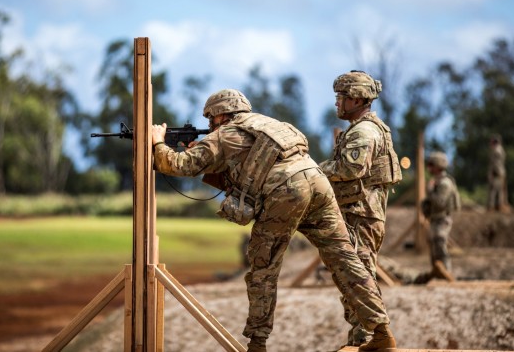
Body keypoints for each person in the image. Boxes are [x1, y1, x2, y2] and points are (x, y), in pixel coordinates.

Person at [151, 89, 396, 352]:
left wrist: (157, 143)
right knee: (345, 256)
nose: (210, 126)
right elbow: (248, 165)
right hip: (317, 183)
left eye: (211, 119)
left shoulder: (225, 133)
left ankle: (258, 343)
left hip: (287, 190)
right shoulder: (271, 124)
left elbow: (178, 165)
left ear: (222, 114)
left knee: (264, 266)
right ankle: (381, 332)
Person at [319, 70, 402, 347]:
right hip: (360, 212)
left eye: (341, 97)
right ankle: (362, 338)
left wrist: (315, 170)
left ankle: (372, 336)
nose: (337, 103)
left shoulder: (364, 132)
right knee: (353, 277)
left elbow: (351, 168)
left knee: (359, 277)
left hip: (360, 214)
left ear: (356, 99)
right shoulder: (361, 128)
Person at [421, 151, 461, 273]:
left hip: (442, 219)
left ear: (438, 166)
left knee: (439, 243)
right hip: (435, 219)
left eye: (431, 165)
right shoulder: (437, 181)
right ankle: (437, 272)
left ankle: (446, 271)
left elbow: (440, 202)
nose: (429, 168)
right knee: (434, 246)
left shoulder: (445, 183)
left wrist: (430, 190)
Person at [488, 135, 509, 213]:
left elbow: (496, 163)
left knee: (494, 190)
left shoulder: (496, 150)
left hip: (497, 172)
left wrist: (494, 173)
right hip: (501, 172)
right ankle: (499, 206)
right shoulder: (500, 150)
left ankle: (493, 206)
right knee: (500, 190)